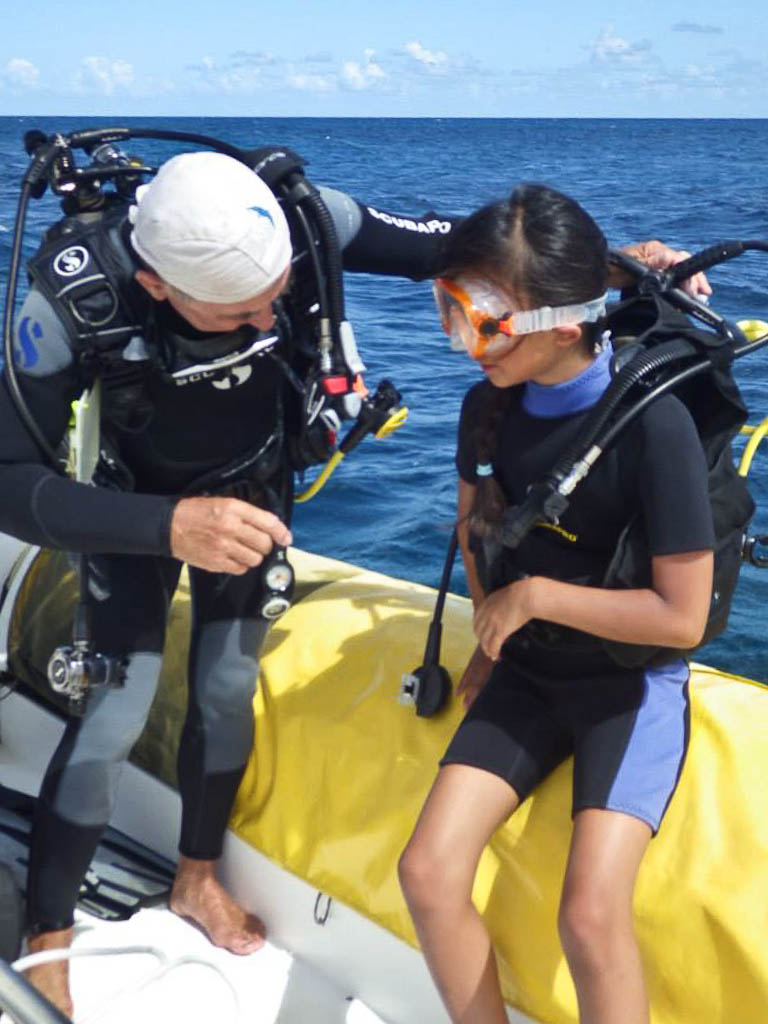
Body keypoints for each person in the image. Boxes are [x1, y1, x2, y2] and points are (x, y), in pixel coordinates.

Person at [0, 141, 705, 1017]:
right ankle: (48, 939)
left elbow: (466, 250)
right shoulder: (72, 302)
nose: (268, 321)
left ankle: (198, 877)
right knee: (114, 708)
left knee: (225, 688)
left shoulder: (307, 222)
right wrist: (166, 527)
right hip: (135, 505)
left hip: (253, 481)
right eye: (240, 312)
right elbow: (10, 482)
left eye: (277, 296)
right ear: (157, 286)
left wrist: (613, 269)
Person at [398, 184, 715, 1024]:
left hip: (626, 685)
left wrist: (535, 597)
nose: (462, 343)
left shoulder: (656, 427)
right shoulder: (486, 404)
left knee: (589, 919)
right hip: (530, 672)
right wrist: (489, 644)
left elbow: (681, 619)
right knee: (426, 874)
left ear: (566, 326)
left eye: (482, 322)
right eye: (450, 311)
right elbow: (476, 530)